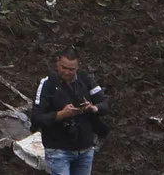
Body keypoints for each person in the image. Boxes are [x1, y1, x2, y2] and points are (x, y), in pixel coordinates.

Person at [31, 47, 110, 175]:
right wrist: (61, 114)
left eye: (71, 69)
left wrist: (93, 108)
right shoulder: (48, 84)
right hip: (58, 150)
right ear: (57, 62)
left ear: (78, 67)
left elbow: (105, 104)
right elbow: (36, 118)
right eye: (63, 68)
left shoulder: (85, 79)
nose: (67, 72)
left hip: (85, 149)